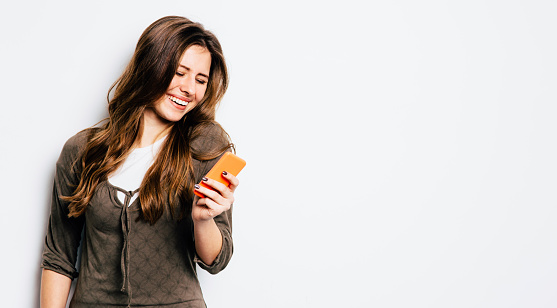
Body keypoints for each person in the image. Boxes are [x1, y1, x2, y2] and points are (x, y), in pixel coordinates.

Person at [40, 16, 239, 308]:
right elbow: (59, 256)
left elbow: (215, 260)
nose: (189, 89)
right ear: (150, 66)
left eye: (200, 80)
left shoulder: (207, 147)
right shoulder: (81, 151)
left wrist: (204, 219)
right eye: (179, 72)